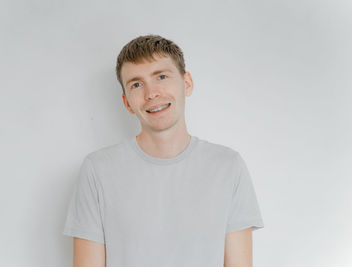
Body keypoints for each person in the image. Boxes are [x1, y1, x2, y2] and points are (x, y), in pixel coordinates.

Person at [62, 34, 264, 267]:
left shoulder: (228, 166)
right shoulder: (98, 169)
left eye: (161, 76)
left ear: (186, 83)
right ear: (127, 102)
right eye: (136, 84)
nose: (151, 93)